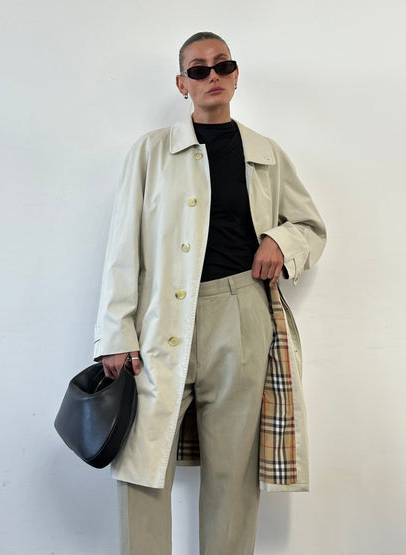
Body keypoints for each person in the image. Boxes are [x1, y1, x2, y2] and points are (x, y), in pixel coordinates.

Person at [94, 31, 326, 555]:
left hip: (241, 315)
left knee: (232, 472)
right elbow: (121, 248)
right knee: (142, 461)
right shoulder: (151, 152)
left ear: (236, 74)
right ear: (183, 84)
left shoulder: (266, 154)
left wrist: (279, 240)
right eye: (198, 70)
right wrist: (115, 333)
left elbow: (311, 227)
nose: (212, 76)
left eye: (222, 65)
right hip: (159, 322)